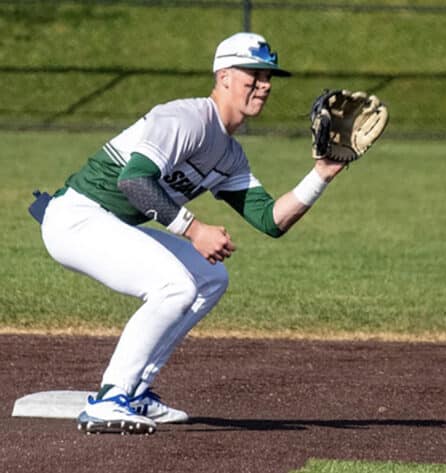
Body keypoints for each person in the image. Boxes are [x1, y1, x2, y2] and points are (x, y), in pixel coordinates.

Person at [38, 32, 346, 435]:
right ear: (224, 77)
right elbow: (133, 181)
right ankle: (110, 398)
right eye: (254, 73)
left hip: (103, 221)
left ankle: (134, 390)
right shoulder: (186, 118)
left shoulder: (230, 153)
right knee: (174, 285)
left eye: (269, 76)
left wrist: (321, 174)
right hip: (76, 217)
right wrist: (194, 228)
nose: (265, 84)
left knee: (209, 277)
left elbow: (271, 220)